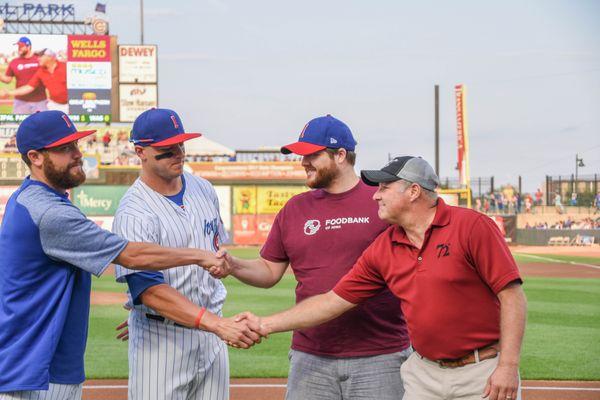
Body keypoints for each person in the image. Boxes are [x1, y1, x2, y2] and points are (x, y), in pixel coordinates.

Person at [0, 111, 256, 400]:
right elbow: (131, 255)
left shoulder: (35, 199)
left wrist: (141, 311)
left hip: (44, 364)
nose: (77, 154)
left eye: (75, 145)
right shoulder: (49, 212)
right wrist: (197, 257)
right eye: (64, 148)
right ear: (34, 157)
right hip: (35, 370)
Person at [234, 156, 527, 400]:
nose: (375, 194)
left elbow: (512, 295)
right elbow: (332, 301)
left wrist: (508, 365)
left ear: (413, 191)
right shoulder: (385, 246)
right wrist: (264, 324)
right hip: (423, 375)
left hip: (480, 372)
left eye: (385, 187)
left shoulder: (472, 227)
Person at [212, 115, 410, 400]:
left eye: (311, 155)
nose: (303, 161)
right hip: (311, 357)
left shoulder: (381, 201)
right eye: (300, 155)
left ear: (341, 155)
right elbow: (269, 270)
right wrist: (233, 265)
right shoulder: (295, 208)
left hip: (380, 356)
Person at [112, 108, 257, 400]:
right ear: (140, 152)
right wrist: (216, 324)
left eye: (180, 144)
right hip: (162, 340)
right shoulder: (134, 212)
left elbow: (214, 253)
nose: (178, 153)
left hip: (211, 333)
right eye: (166, 150)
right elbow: (150, 291)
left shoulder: (203, 189)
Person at [0, 49, 68, 113]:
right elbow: (29, 87)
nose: (38, 59)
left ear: (50, 57)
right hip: (54, 105)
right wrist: (9, 92)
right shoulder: (41, 71)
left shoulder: (65, 67)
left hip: (70, 104)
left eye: (41, 56)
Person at [0, 36, 47, 113]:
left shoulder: (39, 59)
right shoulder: (14, 62)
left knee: (43, 124)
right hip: (20, 101)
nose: (19, 48)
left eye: (21, 46)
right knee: (18, 124)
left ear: (29, 46)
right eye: (18, 46)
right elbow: (7, 79)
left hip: (40, 101)